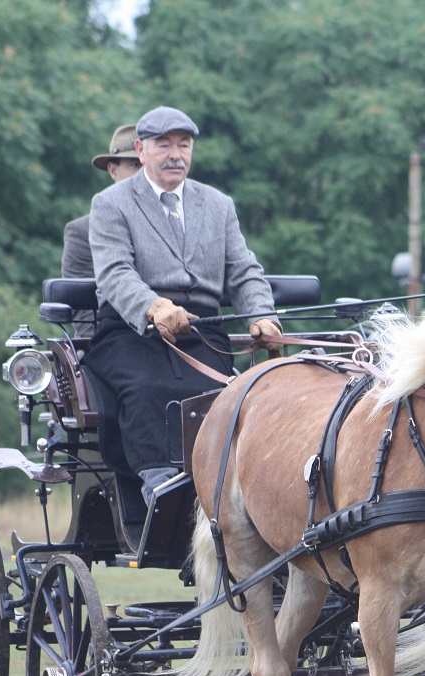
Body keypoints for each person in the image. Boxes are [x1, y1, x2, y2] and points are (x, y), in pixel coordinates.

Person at [84, 105, 281, 517]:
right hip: (130, 331)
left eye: (184, 145)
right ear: (140, 150)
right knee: (146, 389)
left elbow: (244, 270)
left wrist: (262, 316)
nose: (176, 154)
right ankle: (160, 486)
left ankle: (234, 486)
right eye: (164, 145)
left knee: (234, 394)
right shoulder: (111, 203)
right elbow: (115, 273)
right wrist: (153, 306)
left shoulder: (218, 204)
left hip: (203, 329)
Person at [62, 124, 143, 336]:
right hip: (108, 341)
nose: (143, 175)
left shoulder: (175, 224)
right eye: (135, 164)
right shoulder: (81, 232)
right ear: (113, 170)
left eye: (147, 166)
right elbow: (83, 314)